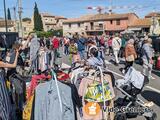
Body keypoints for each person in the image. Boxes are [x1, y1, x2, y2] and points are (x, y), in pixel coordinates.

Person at [0, 47, 19, 120]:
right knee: (3, 104)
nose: (1, 54)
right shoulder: (0, 63)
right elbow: (14, 65)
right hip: (1, 86)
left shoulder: (2, 61)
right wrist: (16, 55)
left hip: (3, 85)